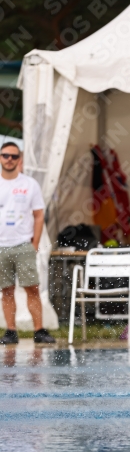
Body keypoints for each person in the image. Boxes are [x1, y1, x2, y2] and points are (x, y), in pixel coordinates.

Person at [0, 142, 55, 345]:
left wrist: (35, 243)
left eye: (14, 156)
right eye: (5, 155)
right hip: (1, 245)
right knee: (6, 290)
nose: (9, 159)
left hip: (23, 243)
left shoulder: (29, 184)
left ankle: (39, 329)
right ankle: (10, 330)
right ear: (0, 157)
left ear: (19, 159)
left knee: (32, 287)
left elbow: (39, 215)